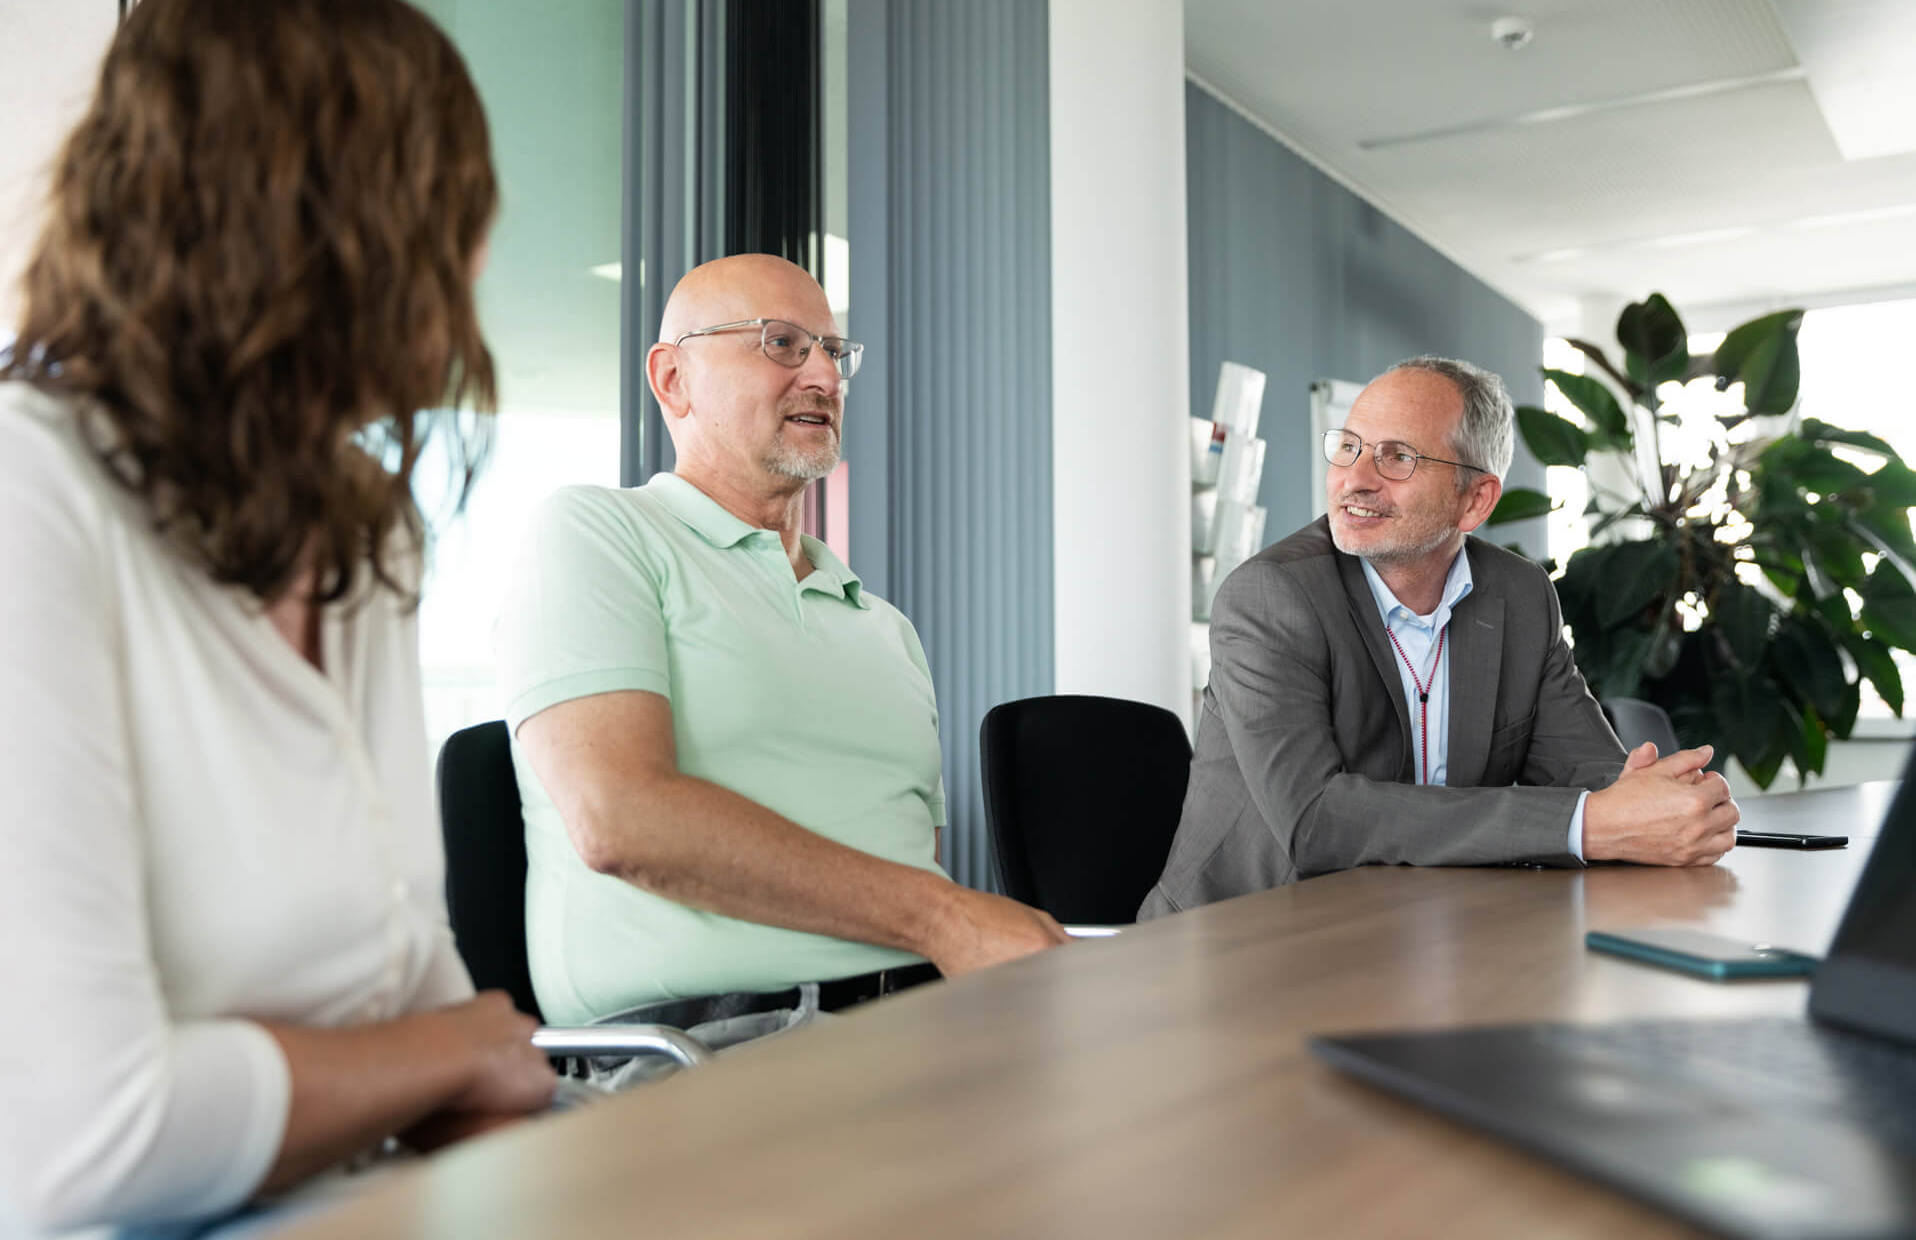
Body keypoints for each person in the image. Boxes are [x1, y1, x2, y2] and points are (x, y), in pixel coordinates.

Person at [0, 0, 557, 1232]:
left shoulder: (362, 529)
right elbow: (82, 1135)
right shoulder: (28, 494)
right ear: (332, 216)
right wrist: (443, 1055)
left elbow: (407, 966)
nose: (477, 257)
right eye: (454, 203)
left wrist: (447, 1057)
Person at [495, 253, 1068, 1028]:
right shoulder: (596, 535)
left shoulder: (886, 629)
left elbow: (909, 860)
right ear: (673, 380)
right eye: (781, 343)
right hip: (708, 1051)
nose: (825, 378)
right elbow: (618, 816)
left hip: (921, 1025)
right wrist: (943, 916)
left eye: (833, 351)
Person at [1141, 356, 1739, 918]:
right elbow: (1318, 821)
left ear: (1474, 500)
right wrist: (1591, 823)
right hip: (1245, 941)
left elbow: (1598, 778)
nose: (1355, 479)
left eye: (1396, 457)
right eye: (1348, 448)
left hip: (1421, 927)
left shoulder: (1519, 595)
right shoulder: (1270, 597)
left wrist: (1668, 807)